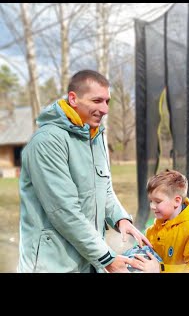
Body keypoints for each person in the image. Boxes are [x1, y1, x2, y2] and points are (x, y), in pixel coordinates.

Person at [18, 70, 151, 273]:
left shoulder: (94, 136)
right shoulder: (47, 142)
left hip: (87, 261)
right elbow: (64, 211)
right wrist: (106, 258)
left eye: (107, 101)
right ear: (73, 99)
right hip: (53, 265)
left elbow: (104, 188)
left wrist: (120, 218)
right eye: (97, 100)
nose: (105, 109)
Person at [129, 169, 189, 273]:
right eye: (151, 201)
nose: (152, 206)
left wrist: (161, 269)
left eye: (158, 201)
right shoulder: (151, 232)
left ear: (177, 201)